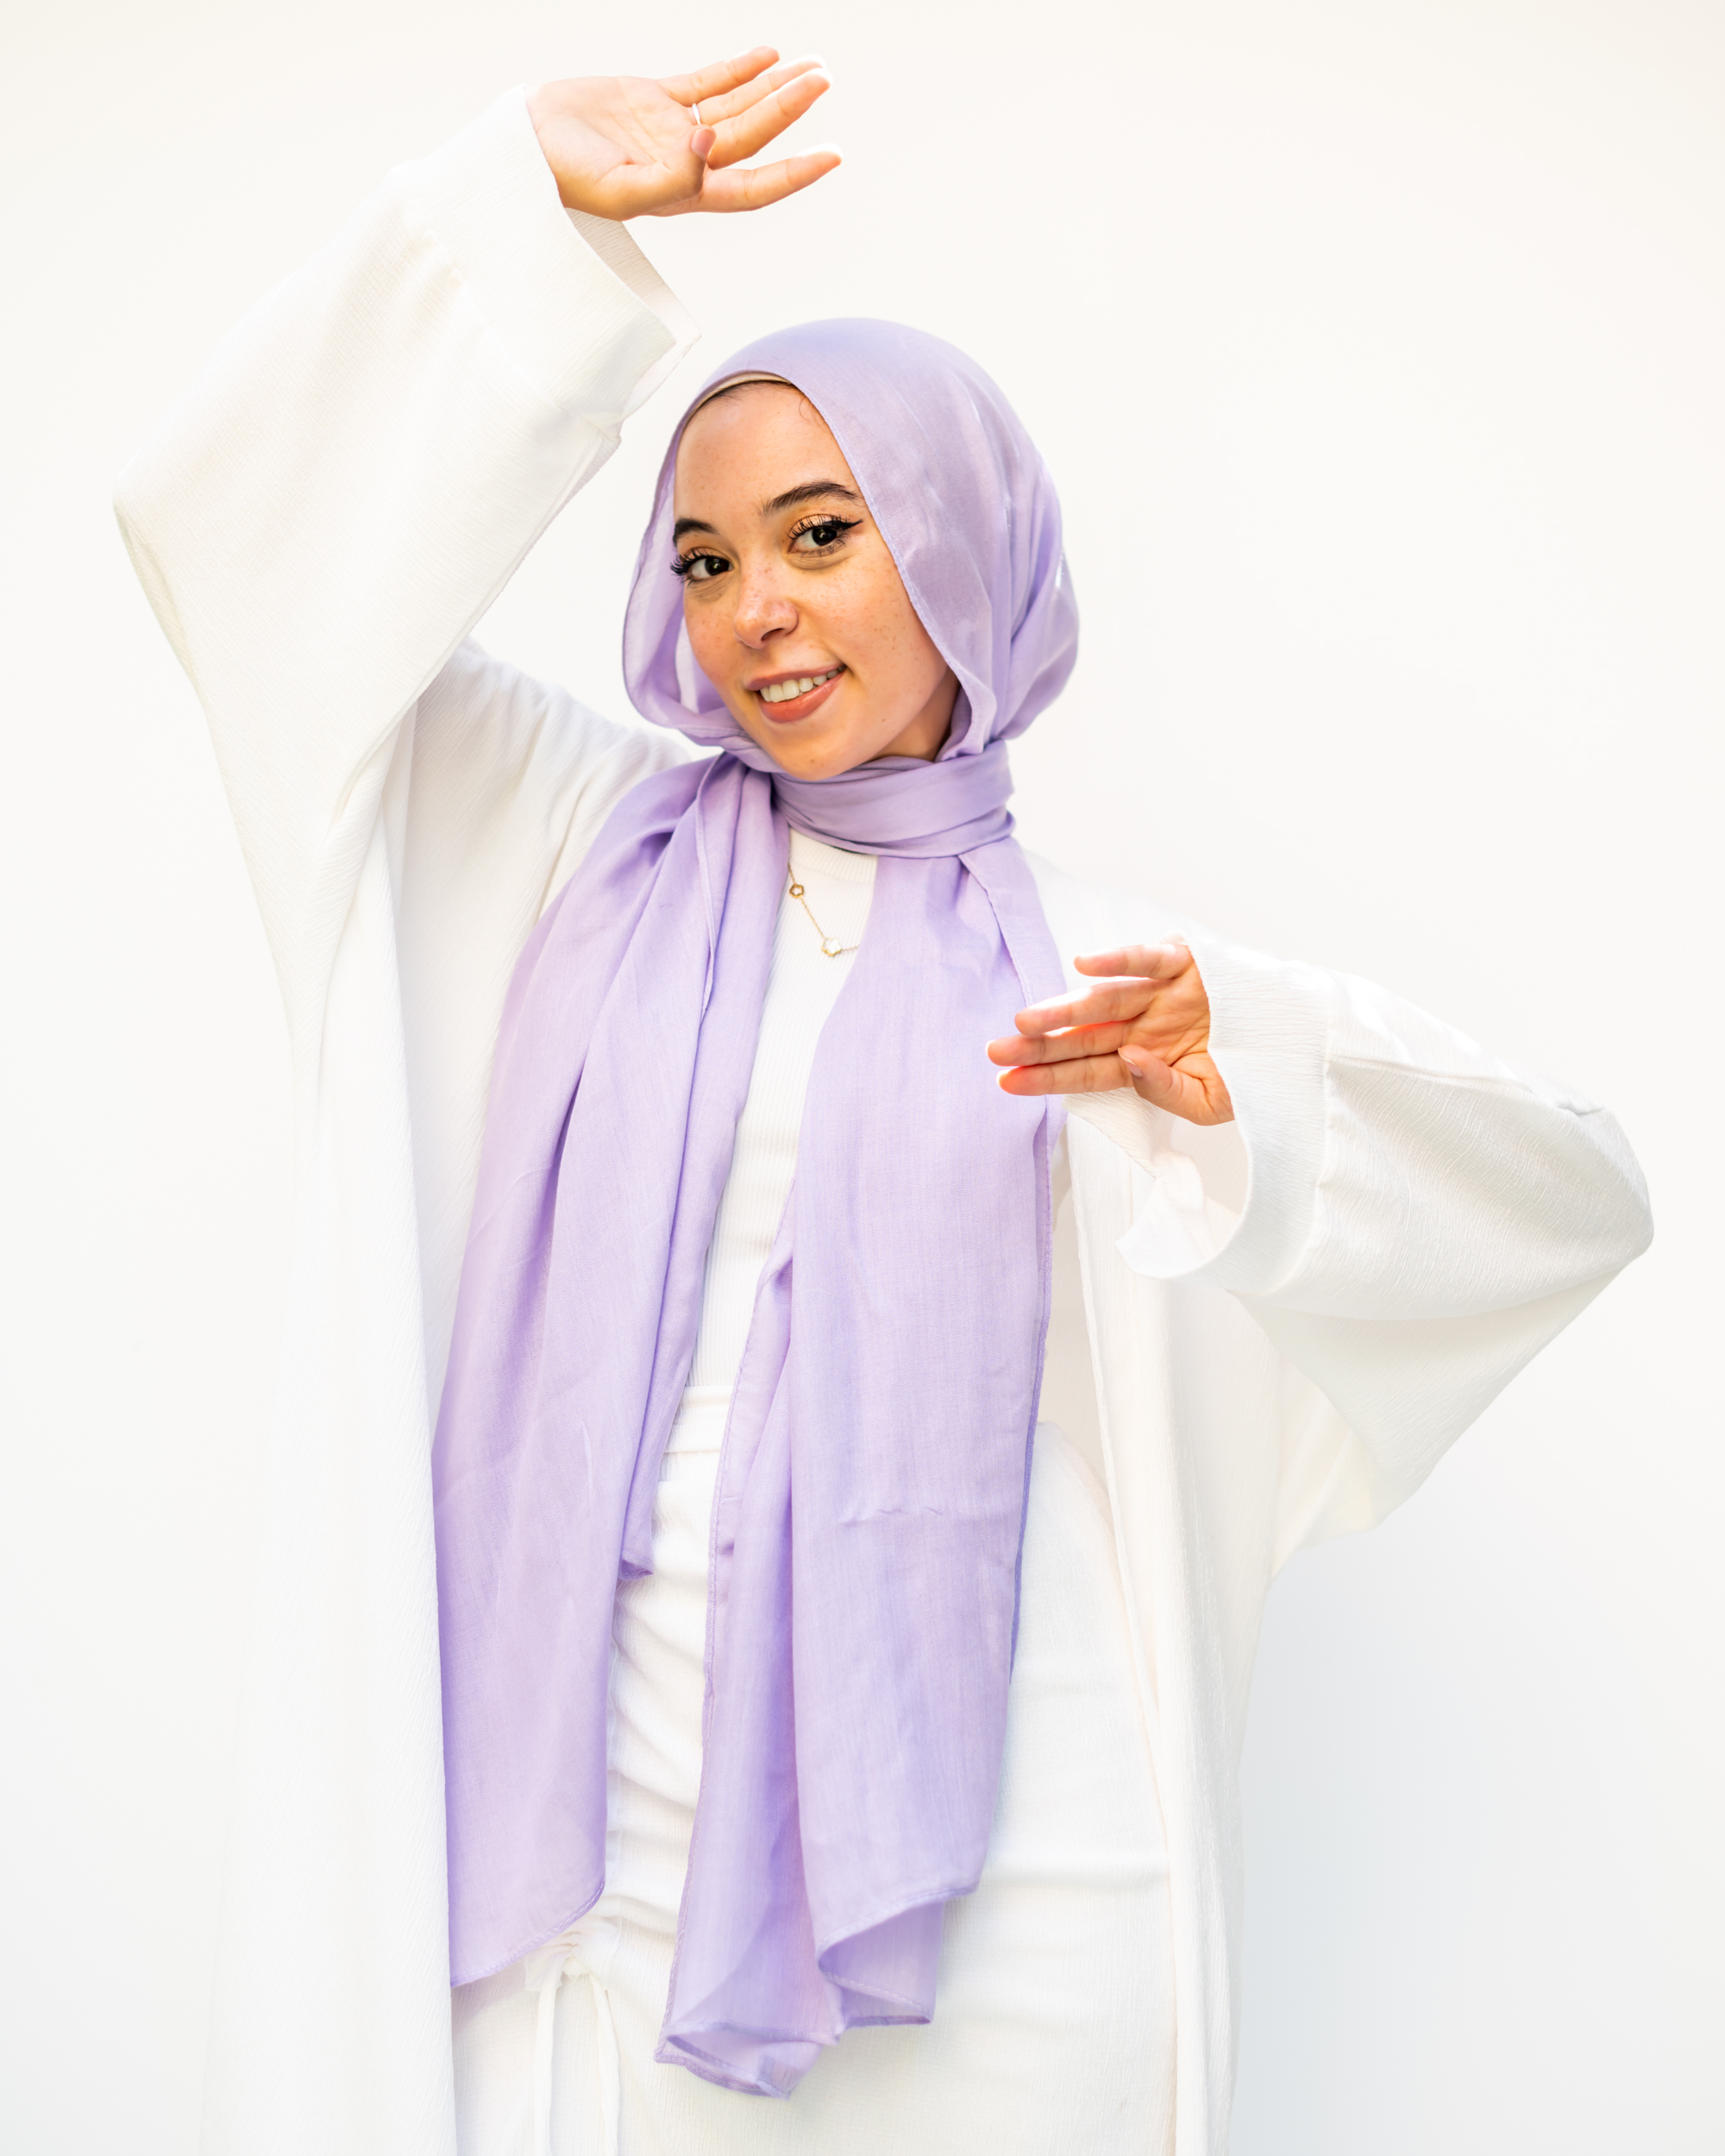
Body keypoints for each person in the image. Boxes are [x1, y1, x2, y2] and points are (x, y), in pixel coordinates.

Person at [116, 48, 1653, 2156]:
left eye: (821, 535)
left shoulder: (1104, 985)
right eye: (702, 557)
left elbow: (1569, 1202)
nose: (753, 608)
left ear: (959, 547)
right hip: (600, 1870)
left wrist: (1256, 1096)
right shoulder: (563, 845)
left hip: (1015, 1884)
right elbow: (246, 566)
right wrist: (509, 218)